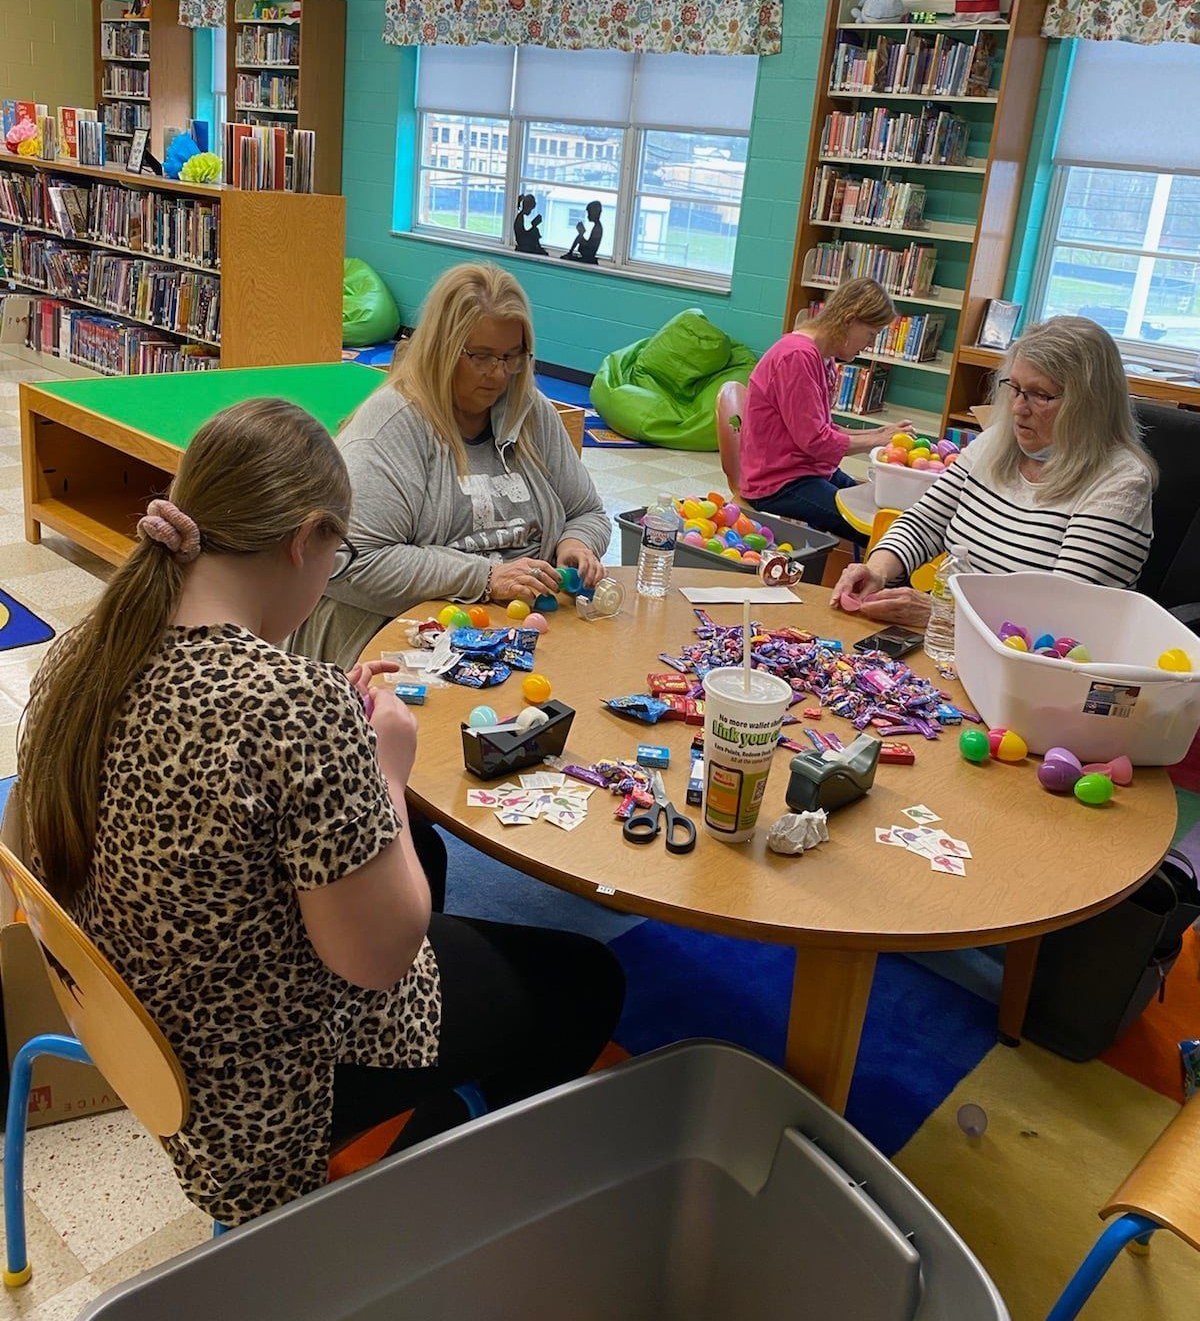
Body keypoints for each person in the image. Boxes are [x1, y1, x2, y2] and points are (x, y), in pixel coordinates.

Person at [15, 399, 624, 1229]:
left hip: (144, 1017)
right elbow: (377, 964)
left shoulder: (80, 654)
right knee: (587, 979)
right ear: (305, 541)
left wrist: (335, 759)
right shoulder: (291, 707)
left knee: (430, 868)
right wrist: (382, 771)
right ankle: (474, 1204)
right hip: (259, 1103)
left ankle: (429, 1108)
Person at [291, 262, 611, 667]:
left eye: (512, 357)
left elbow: (588, 511)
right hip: (399, 642)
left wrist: (577, 543)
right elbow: (350, 560)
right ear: (442, 348)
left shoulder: (531, 413)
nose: (498, 374)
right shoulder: (392, 426)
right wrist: (486, 578)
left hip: (515, 635)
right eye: (480, 357)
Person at [831, 316, 1156, 628]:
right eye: (1014, 388)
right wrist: (877, 570)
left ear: (1089, 404)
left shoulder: (1120, 483)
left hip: (1037, 661)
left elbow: (1060, 616)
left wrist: (940, 616)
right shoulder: (996, 442)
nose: (1017, 407)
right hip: (956, 630)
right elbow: (925, 522)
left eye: (1040, 395)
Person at [739, 278, 913, 539]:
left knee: (886, 514)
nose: (869, 344)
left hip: (805, 471)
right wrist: (876, 440)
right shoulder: (797, 356)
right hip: (779, 483)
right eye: (871, 334)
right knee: (880, 533)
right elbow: (816, 441)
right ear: (849, 320)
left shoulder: (822, 355)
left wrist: (879, 434)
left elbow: (824, 428)